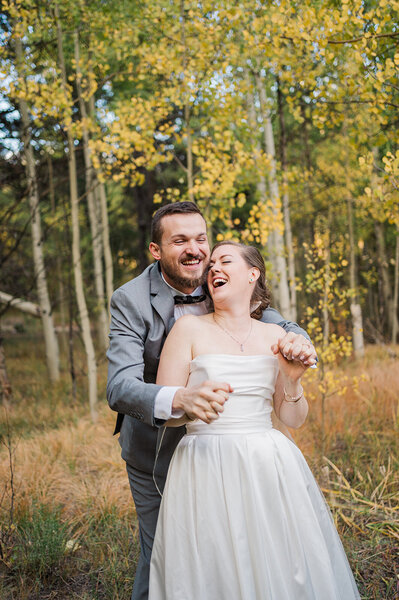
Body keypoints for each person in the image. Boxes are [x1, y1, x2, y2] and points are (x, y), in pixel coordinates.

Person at [106, 202, 317, 600]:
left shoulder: (217, 278)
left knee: (239, 548)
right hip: (155, 446)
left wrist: (298, 340)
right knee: (164, 557)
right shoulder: (130, 299)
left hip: (236, 453)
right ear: (156, 251)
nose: (195, 250)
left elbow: (273, 320)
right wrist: (179, 397)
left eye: (201, 239)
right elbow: (119, 386)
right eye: (180, 240)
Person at [148, 241, 360, 600]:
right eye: (211, 264)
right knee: (214, 563)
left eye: (225, 261)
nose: (213, 268)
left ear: (252, 274)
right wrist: (188, 403)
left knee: (279, 558)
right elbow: (164, 411)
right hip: (204, 463)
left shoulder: (275, 336)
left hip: (268, 462)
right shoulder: (187, 330)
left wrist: (292, 380)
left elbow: (291, 417)